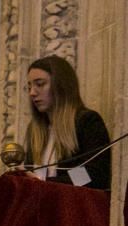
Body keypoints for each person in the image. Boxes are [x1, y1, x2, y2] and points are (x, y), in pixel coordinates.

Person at [24, 55, 111, 190]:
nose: (32, 93)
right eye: (29, 87)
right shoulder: (34, 130)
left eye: (40, 84)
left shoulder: (86, 122)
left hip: (73, 206)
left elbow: (94, 174)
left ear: (61, 85)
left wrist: (46, 182)